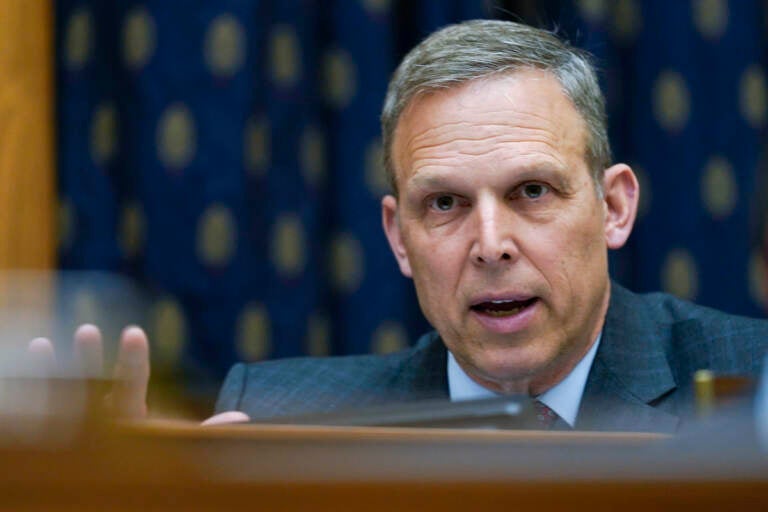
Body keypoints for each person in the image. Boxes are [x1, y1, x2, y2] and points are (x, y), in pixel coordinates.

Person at [35, 19, 768, 431]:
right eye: (444, 204)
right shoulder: (274, 424)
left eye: (532, 191)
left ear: (613, 207)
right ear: (397, 237)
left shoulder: (754, 384)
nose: (489, 245)